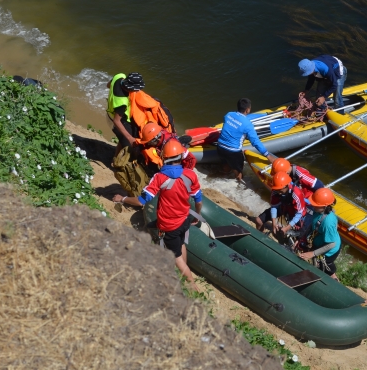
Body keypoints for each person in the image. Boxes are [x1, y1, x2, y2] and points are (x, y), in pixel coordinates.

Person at [112, 139, 202, 291]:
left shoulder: (159, 178)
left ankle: (192, 284)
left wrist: (123, 199)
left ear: (164, 158)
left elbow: (142, 201)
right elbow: (198, 200)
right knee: (180, 244)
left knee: (176, 257)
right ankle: (185, 272)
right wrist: (196, 215)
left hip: (169, 225)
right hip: (184, 219)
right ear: (180, 157)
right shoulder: (190, 175)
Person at [216, 98, 275, 182]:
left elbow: (226, 122)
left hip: (220, 147)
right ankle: (239, 183)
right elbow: (255, 142)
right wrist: (268, 155)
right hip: (233, 152)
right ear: (247, 110)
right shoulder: (247, 124)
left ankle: (222, 177)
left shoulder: (228, 115)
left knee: (226, 166)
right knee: (238, 172)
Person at [297, 188, 341, 280]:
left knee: (326, 269)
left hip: (329, 250)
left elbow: (332, 244)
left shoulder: (328, 222)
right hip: (320, 240)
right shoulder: (319, 211)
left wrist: (313, 253)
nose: (313, 205)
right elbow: (313, 225)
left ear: (325, 206)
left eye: (316, 204)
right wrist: (302, 238)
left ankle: (334, 280)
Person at [254, 172, 307, 236]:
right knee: (258, 220)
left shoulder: (297, 194)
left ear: (286, 186)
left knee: (298, 236)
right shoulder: (275, 190)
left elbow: (299, 214)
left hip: (295, 213)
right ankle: (261, 235)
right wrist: (274, 223)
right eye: (277, 190)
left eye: (280, 191)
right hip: (282, 207)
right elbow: (274, 206)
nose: (279, 193)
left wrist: (287, 228)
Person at [106, 72, 145, 157]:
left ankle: (115, 157)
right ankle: (118, 162)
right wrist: (130, 138)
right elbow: (117, 121)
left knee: (122, 137)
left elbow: (108, 85)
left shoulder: (119, 76)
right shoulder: (122, 102)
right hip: (116, 119)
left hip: (110, 111)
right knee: (128, 144)